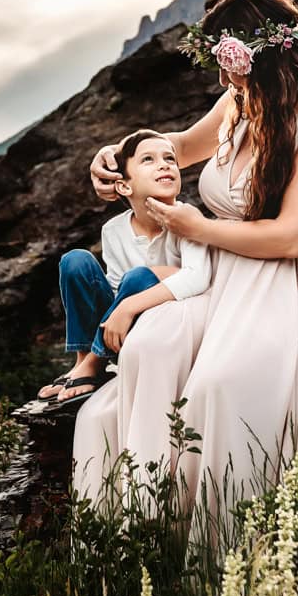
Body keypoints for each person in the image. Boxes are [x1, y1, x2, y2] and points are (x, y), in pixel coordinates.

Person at [72, 0, 298, 532]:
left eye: (227, 63)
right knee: (152, 342)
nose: (221, 80)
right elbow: (178, 147)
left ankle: (234, 539)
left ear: (261, 55)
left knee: (222, 383)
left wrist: (202, 227)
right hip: (225, 274)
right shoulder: (239, 102)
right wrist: (117, 154)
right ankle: (146, 523)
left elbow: (292, 236)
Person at [39, 129, 211, 405]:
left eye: (169, 158)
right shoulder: (114, 229)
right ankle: (83, 360)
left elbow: (199, 278)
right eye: (149, 160)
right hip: (122, 333)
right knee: (76, 260)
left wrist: (129, 304)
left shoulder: (187, 218)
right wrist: (123, 306)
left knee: (139, 276)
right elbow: (117, 287)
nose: (165, 164)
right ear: (124, 186)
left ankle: (94, 363)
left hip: (168, 330)